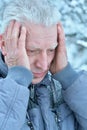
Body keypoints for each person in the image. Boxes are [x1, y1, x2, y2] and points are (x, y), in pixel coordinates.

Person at [0, 0, 87, 130]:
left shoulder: (66, 91)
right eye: (32, 51)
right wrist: (17, 81)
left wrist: (69, 77)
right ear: (4, 44)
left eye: (51, 50)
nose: (44, 64)